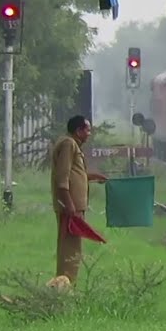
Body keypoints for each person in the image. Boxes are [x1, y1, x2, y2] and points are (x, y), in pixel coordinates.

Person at [50, 115, 106, 284]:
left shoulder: (73, 145)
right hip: (70, 207)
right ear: (78, 130)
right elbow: (62, 178)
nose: (89, 133)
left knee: (73, 247)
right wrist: (69, 204)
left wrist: (94, 177)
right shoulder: (68, 144)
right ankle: (65, 285)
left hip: (73, 207)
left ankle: (66, 283)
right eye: (87, 130)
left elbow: (76, 174)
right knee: (70, 248)